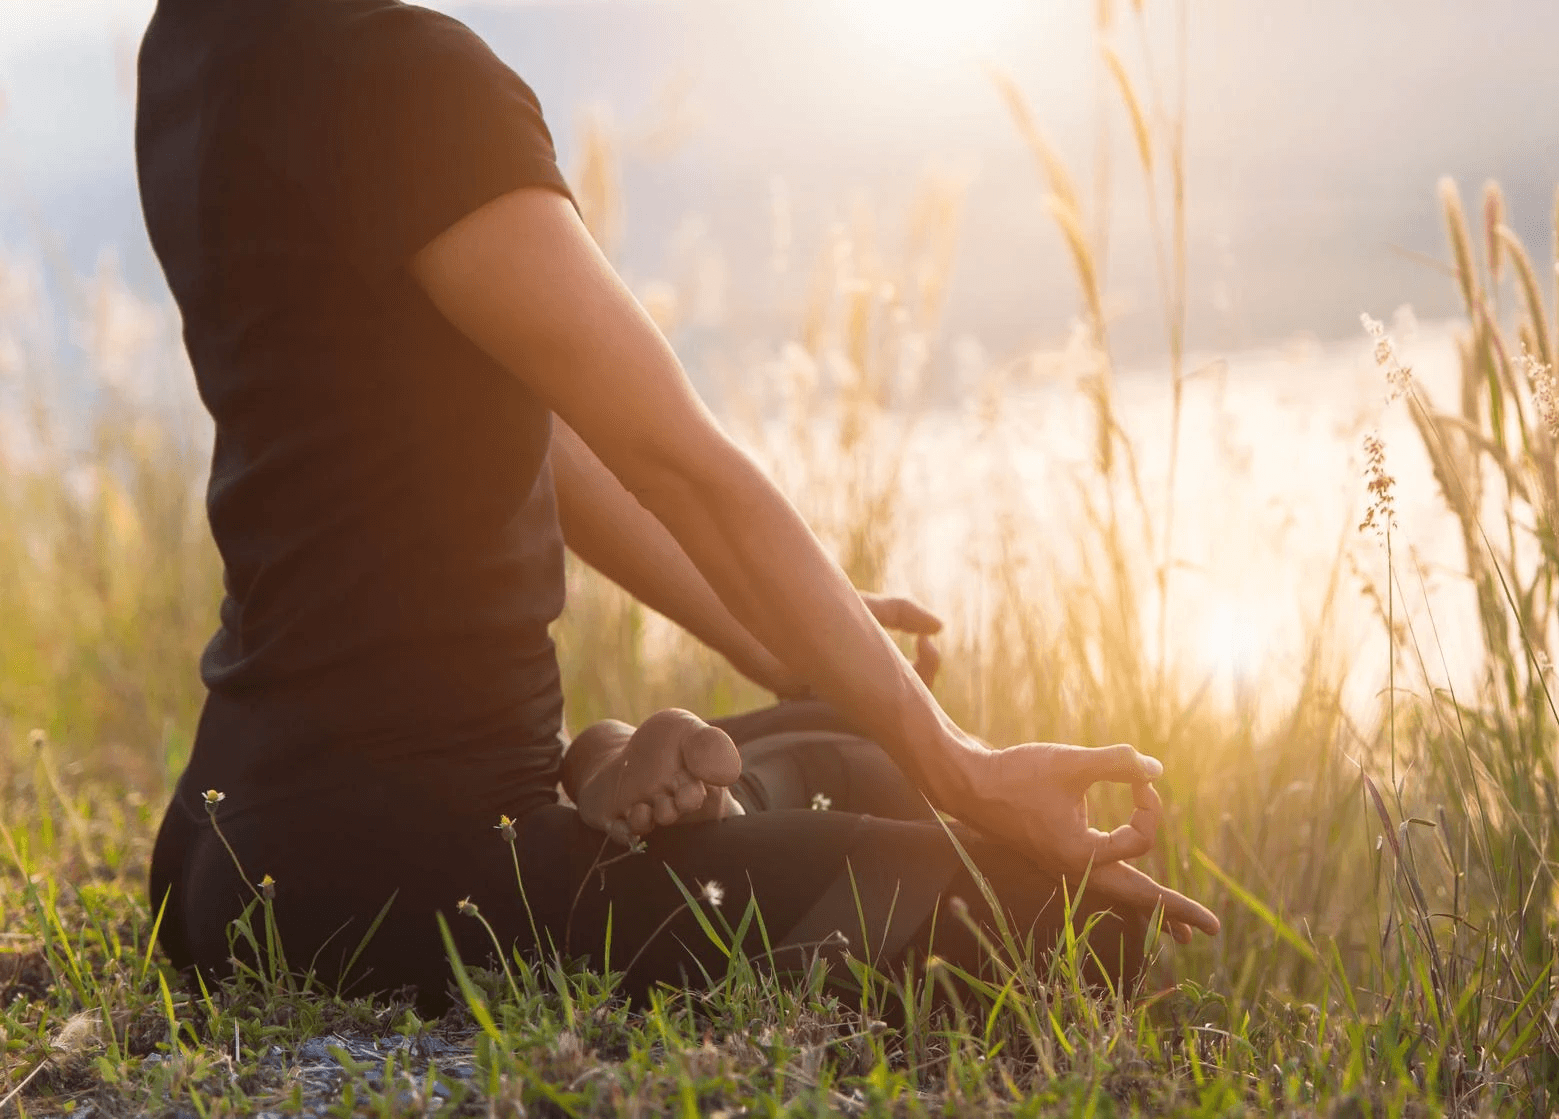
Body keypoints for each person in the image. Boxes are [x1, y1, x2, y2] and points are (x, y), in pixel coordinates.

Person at [136, 0, 1218, 1014]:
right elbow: (677, 459)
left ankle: (612, 786)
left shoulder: (201, 54)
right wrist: (966, 770)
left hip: (224, 840)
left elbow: (527, 424)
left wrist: (773, 640)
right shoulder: (406, 77)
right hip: (422, 865)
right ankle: (596, 803)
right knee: (1068, 929)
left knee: (853, 739)